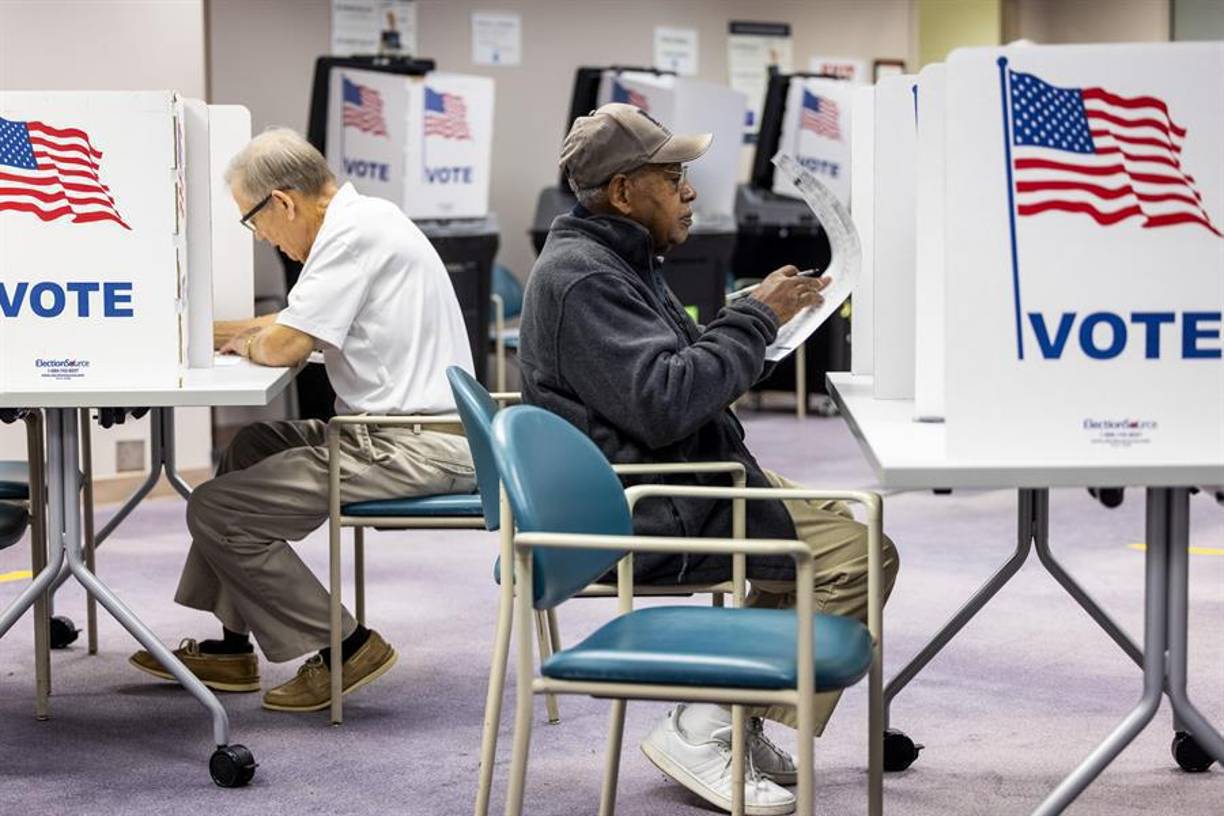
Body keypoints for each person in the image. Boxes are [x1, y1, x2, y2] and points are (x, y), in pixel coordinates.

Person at [517, 103, 900, 814]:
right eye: (672, 176)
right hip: (648, 503)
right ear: (624, 192)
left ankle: (731, 720)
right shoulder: (586, 279)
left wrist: (746, 312)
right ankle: (707, 725)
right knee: (854, 555)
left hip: (679, 475)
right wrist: (754, 318)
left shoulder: (616, 258)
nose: (689, 191)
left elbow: (664, 369)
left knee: (842, 534)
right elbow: (664, 400)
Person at [129, 128, 477, 713]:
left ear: (283, 202)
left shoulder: (350, 235)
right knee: (253, 445)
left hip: (411, 446)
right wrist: (216, 334)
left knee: (215, 508)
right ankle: (231, 648)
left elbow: (285, 344)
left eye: (253, 221)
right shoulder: (365, 220)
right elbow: (278, 328)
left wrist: (248, 339)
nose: (262, 237)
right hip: (397, 431)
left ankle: (346, 646)